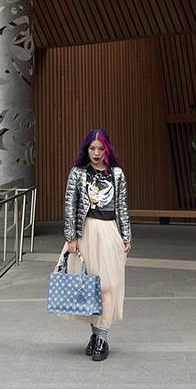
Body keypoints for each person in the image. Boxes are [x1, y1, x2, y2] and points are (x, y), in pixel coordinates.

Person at [63, 129, 131, 361]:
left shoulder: (117, 174)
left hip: (110, 231)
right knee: (90, 286)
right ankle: (95, 335)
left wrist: (126, 236)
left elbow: (122, 206)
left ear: (107, 150)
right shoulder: (78, 173)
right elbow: (70, 206)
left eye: (101, 148)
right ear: (86, 149)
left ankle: (102, 338)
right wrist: (71, 237)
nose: (96, 152)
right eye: (93, 148)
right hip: (86, 234)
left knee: (107, 286)